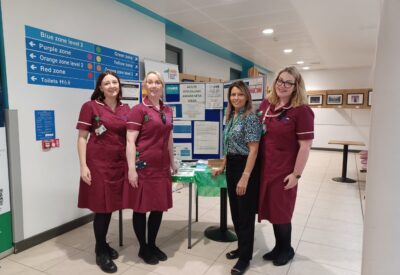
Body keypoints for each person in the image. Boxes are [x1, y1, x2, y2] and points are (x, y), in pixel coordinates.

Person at [257, 66, 314, 266]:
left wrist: (296, 174)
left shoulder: (302, 111)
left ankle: (286, 249)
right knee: (272, 211)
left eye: (288, 82)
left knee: (281, 212)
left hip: (284, 172)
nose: (282, 85)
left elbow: (305, 146)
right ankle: (278, 247)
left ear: (296, 86)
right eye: (280, 80)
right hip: (265, 169)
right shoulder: (266, 105)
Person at [76, 70, 130, 273]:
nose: (111, 86)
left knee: (112, 206)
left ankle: (104, 244)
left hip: (119, 163)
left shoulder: (126, 109)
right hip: (97, 164)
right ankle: (100, 250)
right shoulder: (90, 107)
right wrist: (83, 165)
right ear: (100, 87)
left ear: (119, 85)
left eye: (114, 82)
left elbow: (132, 137)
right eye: (106, 83)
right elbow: (82, 138)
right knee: (102, 207)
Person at [123, 71, 177, 265]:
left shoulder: (168, 110)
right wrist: (131, 169)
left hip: (161, 167)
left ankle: (152, 244)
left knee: (158, 207)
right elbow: (130, 141)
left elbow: (169, 137)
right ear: (145, 85)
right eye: (150, 82)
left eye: (157, 82)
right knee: (141, 208)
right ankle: (143, 247)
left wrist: (172, 161)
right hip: (143, 166)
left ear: (162, 86)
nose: (154, 86)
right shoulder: (138, 109)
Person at [213, 81, 261, 275]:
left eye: (240, 94)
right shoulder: (231, 115)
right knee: (235, 212)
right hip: (232, 165)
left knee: (245, 215)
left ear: (247, 96)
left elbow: (254, 150)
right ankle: (241, 248)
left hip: (245, 167)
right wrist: (223, 166)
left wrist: (245, 177)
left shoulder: (250, 118)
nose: (236, 98)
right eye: (233, 94)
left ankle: (245, 258)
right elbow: (228, 145)